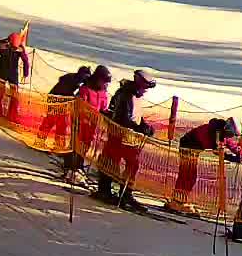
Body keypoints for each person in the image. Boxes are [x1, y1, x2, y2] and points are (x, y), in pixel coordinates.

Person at [97, 69, 156, 210]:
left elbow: (135, 117)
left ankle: (125, 193)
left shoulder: (136, 96)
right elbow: (123, 118)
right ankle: (105, 190)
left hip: (129, 136)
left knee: (131, 164)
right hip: (119, 135)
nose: (146, 91)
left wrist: (145, 127)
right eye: (145, 88)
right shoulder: (125, 95)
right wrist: (140, 128)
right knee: (112, 161)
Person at [166, 116, 242, 214]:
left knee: (190, 176)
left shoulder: (221, 132)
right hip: (189, 146)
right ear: (227, 129)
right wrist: (231, 157)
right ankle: (177, 201)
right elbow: (218, 150)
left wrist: (240, 153)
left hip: (194, 148)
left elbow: (230, 144)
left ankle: (180, 199)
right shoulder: (217, 132)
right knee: (187, 174)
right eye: (231, 134)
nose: (230, 136)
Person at [65, 65, 111, 178]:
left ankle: (78, 167)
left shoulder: (103, 92)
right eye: (103, 81)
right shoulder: (85, 89)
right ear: (97, 78)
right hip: (81, 122)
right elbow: (81, 105)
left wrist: (107, 114)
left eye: (106, 82)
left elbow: (103, 107)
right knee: (76, 144)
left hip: (92, 124)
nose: (104, 84)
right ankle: (70, 166)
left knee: (86, 145)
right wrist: (86, 114)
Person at [0, 25, 32, 123]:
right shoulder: (2, 45)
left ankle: (12, 115)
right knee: (0, 91)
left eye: (14, 48)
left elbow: (25, 60)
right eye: (12, 47)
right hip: (3, 72)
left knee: (14, 95)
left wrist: (25, 72)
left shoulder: (18, 48)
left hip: (12, 73)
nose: (13, 49)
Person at [40, 65, 92, 148]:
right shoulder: (71, 80)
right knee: (50, 121)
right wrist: (74, 98)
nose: (85, 79)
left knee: (61, 125)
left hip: (62, 104)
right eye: (85, 77)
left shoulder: (77, 80)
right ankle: (40, 140)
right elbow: (65, 92)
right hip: (55, 101)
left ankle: (58, 145)